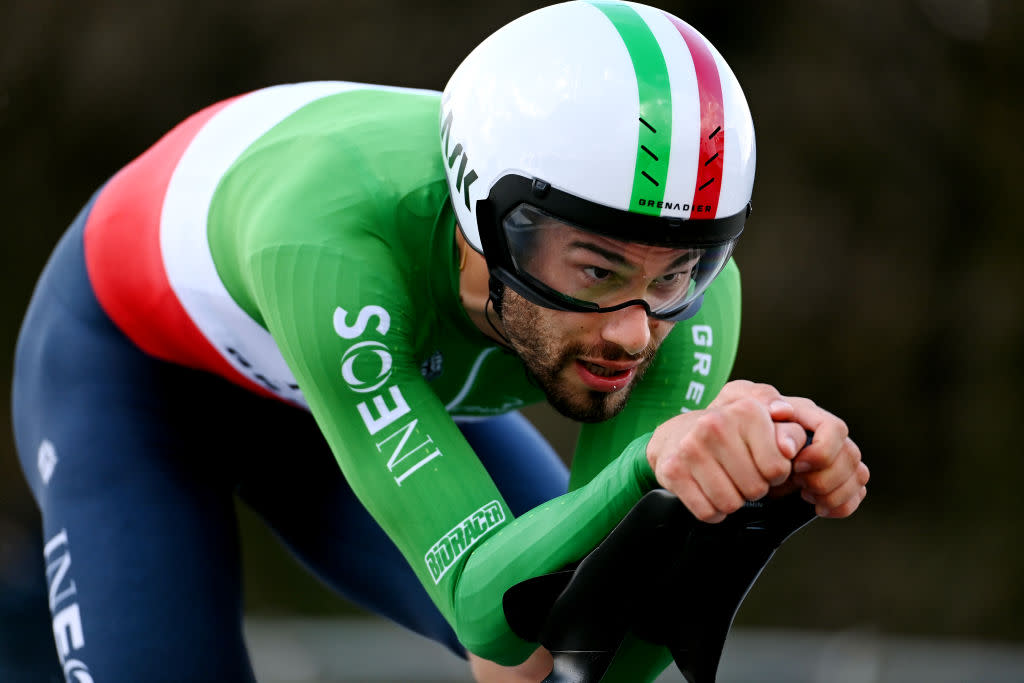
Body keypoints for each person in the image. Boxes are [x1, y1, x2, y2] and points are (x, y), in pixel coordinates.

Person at [11, 1, 869, 681]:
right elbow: (481, 604)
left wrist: (752, 500)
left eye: (675, 273)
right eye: (595, 268)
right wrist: (651, 467)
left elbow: (578, 645)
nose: (631, 329)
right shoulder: (330, 242)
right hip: (139, 380)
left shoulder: (693, 304)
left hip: (354, 374)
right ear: (483, 216)